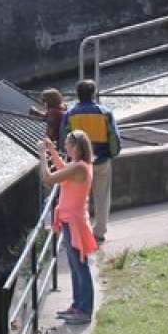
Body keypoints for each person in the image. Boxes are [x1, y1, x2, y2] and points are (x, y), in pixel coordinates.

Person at [38, 131, 97, 325]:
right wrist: (52, 152)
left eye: (68, 145)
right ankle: (77, 306)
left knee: (80, 266)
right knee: (75, 266)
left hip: (74, 222)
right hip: (70, 220)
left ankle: (84, 310)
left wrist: (42, 155)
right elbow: (64, 169)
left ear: (77, 147)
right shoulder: (78, 165)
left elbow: (48, 178)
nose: (66, 147)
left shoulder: (79, 167)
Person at [61, 79, 120, 242]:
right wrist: (111, 154)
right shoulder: (105, 112)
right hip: (102, 160)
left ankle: (78, 232)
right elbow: (114, 137)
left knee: (78, 199)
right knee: (102, 197)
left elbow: (63, 139)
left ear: (77, 94)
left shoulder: (70, 114)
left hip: (80, 165)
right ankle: (99, 232)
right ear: (93, 93)